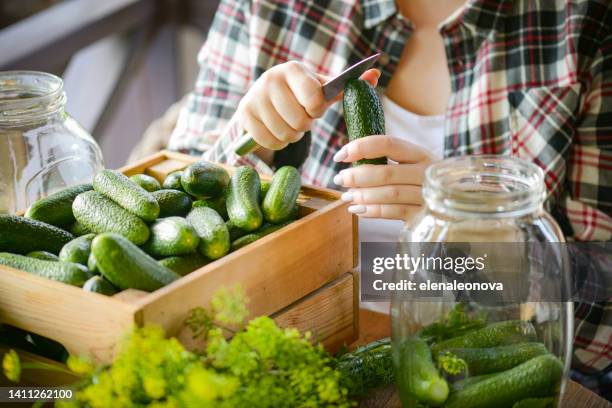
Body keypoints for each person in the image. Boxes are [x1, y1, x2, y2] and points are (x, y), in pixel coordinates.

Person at [168, 0, 612, 398]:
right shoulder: (268, 6)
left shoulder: (586, 22)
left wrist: (486, 245)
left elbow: (603, 331)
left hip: (485, 372)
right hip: (299, 346)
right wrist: (251, 142)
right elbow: (171, 204)